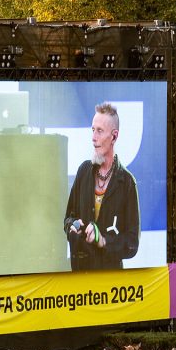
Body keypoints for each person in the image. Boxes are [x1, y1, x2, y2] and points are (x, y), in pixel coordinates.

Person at [63, 102, 140, 271]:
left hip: (109, 283)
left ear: (114, 136)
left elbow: (132, 243)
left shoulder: (126, 182)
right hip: (80, 276)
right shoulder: (84, 171)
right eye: (92, 130)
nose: (93, 137)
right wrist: (73, 226)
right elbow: (68, 218)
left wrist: (103, 240)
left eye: (99, 131)